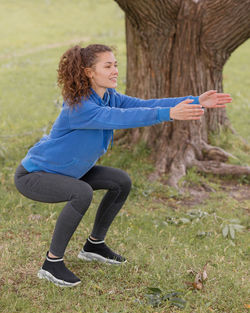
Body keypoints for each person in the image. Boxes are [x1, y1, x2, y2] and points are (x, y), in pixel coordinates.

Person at [14, 44, 232, 287]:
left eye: (115, 64)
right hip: (35, 175)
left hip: (71, 172)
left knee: (120, 181)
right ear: (89, 72)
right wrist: (170, 113)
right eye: (107, 66)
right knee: (81, 192)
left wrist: (194, 100)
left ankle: (94, 246)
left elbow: (144, 105)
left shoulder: (108, 97)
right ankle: (51, 264)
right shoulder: (80, 107)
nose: (115, 70)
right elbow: (122, 118)